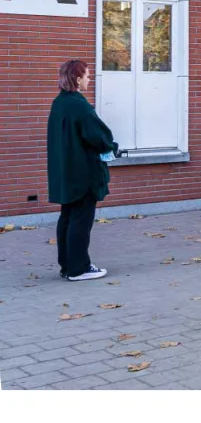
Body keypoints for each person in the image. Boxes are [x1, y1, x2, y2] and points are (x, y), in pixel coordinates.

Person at [47, 59, 119, 281]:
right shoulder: (80, 106)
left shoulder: (59, 103)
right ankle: (79, 268)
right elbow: (99, 136)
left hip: (65, 173)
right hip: (82, 172)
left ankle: (67, 265)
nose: (89, 79)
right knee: (81, 219)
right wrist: (111, 147)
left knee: (67, 217)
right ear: (78, 79)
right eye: (87, 75)